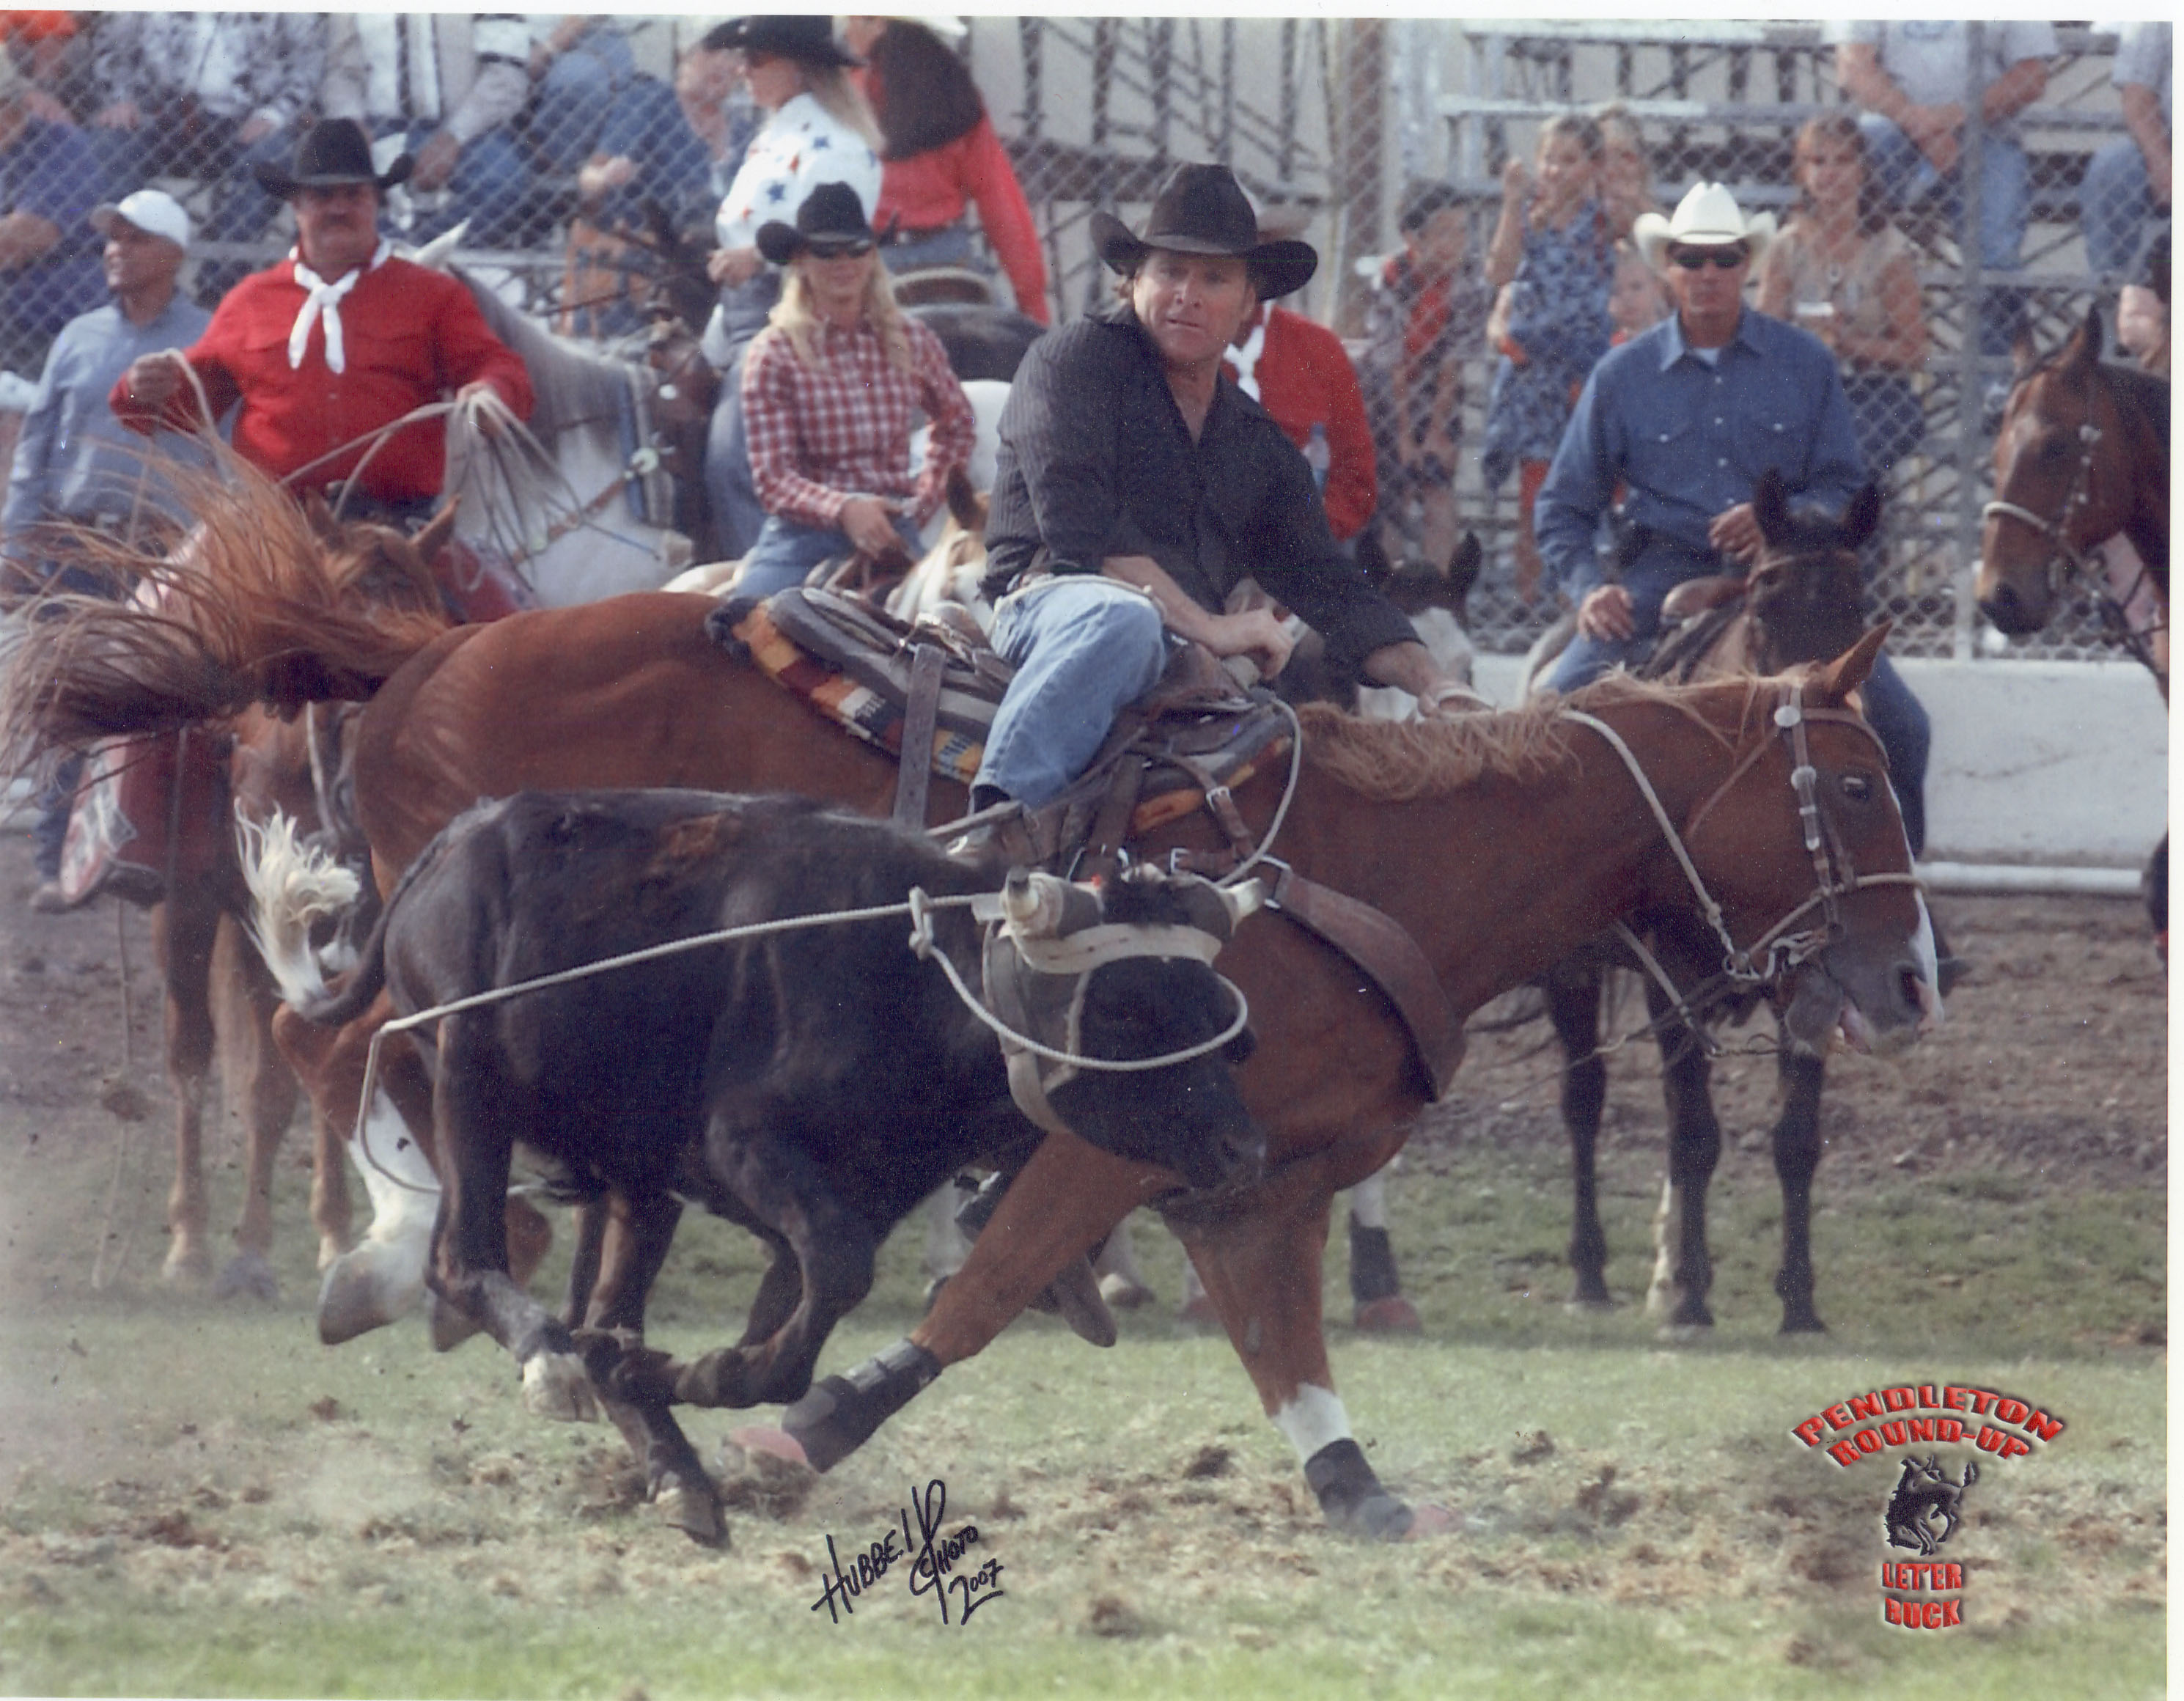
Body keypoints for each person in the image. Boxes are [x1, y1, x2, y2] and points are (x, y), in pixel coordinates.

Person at [962, 164, 1468, 847]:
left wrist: (1433, 682)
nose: (1186, 296)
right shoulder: (1073, 360)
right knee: (1125, 621)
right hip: (1052, 607)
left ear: (1247, 301)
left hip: (1180, 647)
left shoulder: (1253, 441)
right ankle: (997, 830)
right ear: (1134, 280)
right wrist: (1211, 626)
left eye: (1213, 279)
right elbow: (1081, 533)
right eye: (1169, 271)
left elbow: (1330, 584)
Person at [1534, 181, 1933, 859]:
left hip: (1789, 575)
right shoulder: (1620, 375)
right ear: (1669, 267)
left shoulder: (1806, 363)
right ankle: (1559, 910)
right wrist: (1587, 590)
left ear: (1746, 264)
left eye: (1723, 259)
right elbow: (1563, 507)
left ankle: (1904, 901)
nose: (1707, 274)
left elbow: (1843, 481)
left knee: (1901, 725)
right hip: (1659, 574)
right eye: (1691, 259)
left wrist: (1780, 520)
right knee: (1556, 706)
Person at [110, 119, 534, 528]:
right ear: (295, 206)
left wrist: (490, 394)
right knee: (160, 602)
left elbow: (496, 366)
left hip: (397, 533)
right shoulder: (250, 300)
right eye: (322, 195)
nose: (338, 208)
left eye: (354, 195)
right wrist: (141, 387)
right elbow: (190, 402)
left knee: (492, 602)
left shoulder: (433, 295)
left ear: (375, 202)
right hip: (272, 533)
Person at [2, 189, 211, 914]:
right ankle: (59, 861)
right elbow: (37, 446)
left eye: (135, 237)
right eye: (110, 238)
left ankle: (149, 854)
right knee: (67, 696)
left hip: (167, 545)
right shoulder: (78, 337)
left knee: (162, 696)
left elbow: (222, 447)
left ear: (175, 254)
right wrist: (16, 540)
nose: (116, 249)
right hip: (78, 535)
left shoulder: (207, 340)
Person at [734, 181, 976, 600]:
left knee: (954, 624)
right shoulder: (775, 352)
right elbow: (774, 479)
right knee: (740, 628)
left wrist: (921, 502)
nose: (843, 262)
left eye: (857, 248)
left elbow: (955, 422)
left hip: (893, 530)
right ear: (801, 262)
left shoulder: (905, 338)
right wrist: (844, 509)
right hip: (803, 539)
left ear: (872, 256)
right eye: (826, 252)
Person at [698, 15, 883, 561]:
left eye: (755, 59)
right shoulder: (775, 137)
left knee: (734, 458)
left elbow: (841, 247)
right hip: (744, 313)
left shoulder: (835, 144)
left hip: (805, 318)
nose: (741, 70)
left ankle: (768, 591)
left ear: (797, 67)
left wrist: (755, 257)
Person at [1829, 21, 2056, 374]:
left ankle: (1993, 388)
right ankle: (1843, 365)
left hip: (1987, 131)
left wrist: (1954, 116)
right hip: (1891, 126)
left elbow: (2032, 75)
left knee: (1997, 255)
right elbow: (1853, 67)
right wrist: (1917, 122)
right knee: (1841, 186)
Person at [87, 13, 326, 298]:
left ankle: (217, 288)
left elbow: (309, 60)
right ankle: (114, 282)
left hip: (245, 119)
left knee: (272, 153)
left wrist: (274, 115)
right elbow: (110, 46)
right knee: (110, 143)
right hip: (157, 114)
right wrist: (120, 99)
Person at [1482, 114, 1617, 601]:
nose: (1555, 171)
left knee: (1582, 485)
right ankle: (1527, 599)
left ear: (1591, 165)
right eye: (1548, 159)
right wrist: (1511, 201)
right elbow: (1498, 271)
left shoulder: (1603, 222)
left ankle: (1572, 595)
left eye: (1569, 159)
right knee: (1534, 491)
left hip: (1583, 370)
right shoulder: (1527, 217)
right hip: (1535, 374)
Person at [839, 15, 1050, 326]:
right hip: (952, 257)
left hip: (873, 260)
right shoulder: (955, 91)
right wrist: (1033, 304)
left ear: (877, 22)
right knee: (1006, 349)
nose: (845, 25)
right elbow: (1001, 202)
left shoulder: (847, 90)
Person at [1756, 115, 1931, 480]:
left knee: (1853, 446)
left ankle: (1841, 521)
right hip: (1800, 384)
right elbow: (1763, 337)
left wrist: (1849, 342)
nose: (1829, 173)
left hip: (1873, 390)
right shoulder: (1786, 247)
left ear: (1863, 170)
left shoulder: (1889, 251)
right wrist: (1806, 342)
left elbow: (1914, 351)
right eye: (1818, 162)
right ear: (1802, 172)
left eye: (1842, 161)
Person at [320, 15, 540, 250]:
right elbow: (339, 72)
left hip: (467, 126)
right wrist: (352, 123)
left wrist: (454, 136)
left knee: (503, 180)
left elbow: (507, 75)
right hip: (378, 125)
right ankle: (394, 260)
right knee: (330, 178)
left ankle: (420, 257)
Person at [1363, 180, 1489, 572]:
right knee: (1394, 492)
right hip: (1388, 390)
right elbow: (1392, 360)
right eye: (1443, 232)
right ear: (1412, 238)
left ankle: (1442, 587)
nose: (1455, 242)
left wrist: (1436, 431)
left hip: (1439, 387)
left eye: (1462, 231)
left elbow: (1454, 359)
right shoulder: (1392, 276)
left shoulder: (1466, 278)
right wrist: (1403, 434)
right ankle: (1389, 586)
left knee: (1437, 486)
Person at [1223, 246, 1375, 551]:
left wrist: (1305, 537)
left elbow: (1355, 472)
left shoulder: (1318, 347)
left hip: (1304, 546)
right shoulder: (1175, 349)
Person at [0, 48, 106, 367]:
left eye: (9, 104)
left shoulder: (61, 144)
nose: (7, 115)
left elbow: (19, 240)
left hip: (53, 295)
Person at [2081, 22, 2171, 293]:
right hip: (2169, 142)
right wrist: (2163, 164)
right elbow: (2136, 95)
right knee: (2114, 166)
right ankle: (2117, 298)